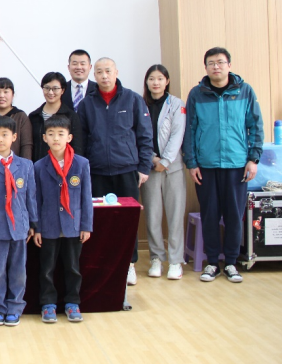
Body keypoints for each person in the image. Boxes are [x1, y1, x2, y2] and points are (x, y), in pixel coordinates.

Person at [184, 47, 263, 284]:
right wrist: (192, 162)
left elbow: (256, 126)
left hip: (237, 165)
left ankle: (230, 262)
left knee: (234, 216)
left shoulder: (244, 91)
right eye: (211, 63)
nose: (216, 66)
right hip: (206, 166)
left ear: (229, 65)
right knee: (209, 215)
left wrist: (253, 159)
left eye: (220, 62)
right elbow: (190, 130)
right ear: (205, 67)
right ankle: (211, 263)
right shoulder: (197, 93)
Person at [78, 58, 153, 286]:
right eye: (99, 72)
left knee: (127, 220)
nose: (104, 76)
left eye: (108, 71)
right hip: (97, 172)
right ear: (94, 74)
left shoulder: (132, 99)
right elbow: (81, 141)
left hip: (127, 170)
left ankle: (129, 265)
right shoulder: (87, 104)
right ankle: (103, 264)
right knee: (100, 221)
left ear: (116, 72)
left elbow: (145, 135)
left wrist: (144, 167)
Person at [0, 115, 38, 327]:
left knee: (18, 270)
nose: (0, 139)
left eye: (4, 135)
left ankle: (15, 307)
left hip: (19, 225)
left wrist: (33, 223)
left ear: (14, 137)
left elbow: (30, 197)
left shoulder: (26, 165)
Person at [33, 115, 93, 324]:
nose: (56, 138)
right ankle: (48, 303)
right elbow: (36, 200)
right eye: (51, 134)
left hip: (73, 225)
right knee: (47, 268)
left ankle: (72, 302)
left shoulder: (81, 164)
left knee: (72, 267)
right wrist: (37, 228)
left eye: (60, 134)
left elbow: (86, 198)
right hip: (48, 226)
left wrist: (86, 226)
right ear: (44, 138)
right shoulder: (39, 166)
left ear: (69, 137)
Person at [140, 65, 186, 280]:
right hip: (149, 167)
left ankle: (175, 261)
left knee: (175, 215)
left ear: (167, 81)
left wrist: (165, 160)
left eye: (160, 78)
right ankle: (156, 258)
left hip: (173, 167)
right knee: (152, 215)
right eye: (152, 78)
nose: (156, 82)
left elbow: (178, 134)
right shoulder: (140, 104)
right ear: (147, 82)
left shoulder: (176, 104)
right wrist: (152, 158)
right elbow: (138, 134)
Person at [28, 72, 84, 161]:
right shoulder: (34, 117)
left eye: (55, 89)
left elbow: (77, 147)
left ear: (62, 90)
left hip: (64, 166)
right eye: (47, 88)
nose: (50, 92)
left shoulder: (71, 116)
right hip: (39, 166)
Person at [0, 77, 33, 160]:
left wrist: (25, 164)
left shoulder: (20, 116)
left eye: (6, 92)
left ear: (13, 94)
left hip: (15, 164)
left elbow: (26, 145)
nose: (1, 96)